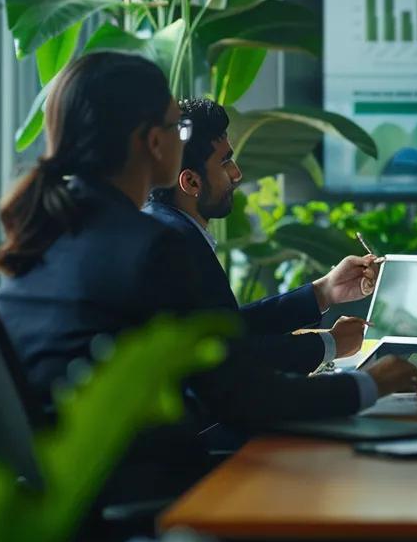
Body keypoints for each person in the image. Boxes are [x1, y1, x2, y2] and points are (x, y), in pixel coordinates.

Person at [0, 52, 417, 499]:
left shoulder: (47, 231)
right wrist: (370, 384)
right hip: (151, 502)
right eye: (176, 124)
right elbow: (245, 397)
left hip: (68, 501)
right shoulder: (151, 245)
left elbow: (212, 336)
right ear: (151, 142)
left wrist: (320, 295)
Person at [142, 98, 365, 375]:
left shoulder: (164, 227)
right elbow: (227, 362)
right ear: (191, 182)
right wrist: (329, 345)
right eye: (225, 162)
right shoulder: (175, 245)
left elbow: (226, 329)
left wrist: (325, 291)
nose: (237, 173)